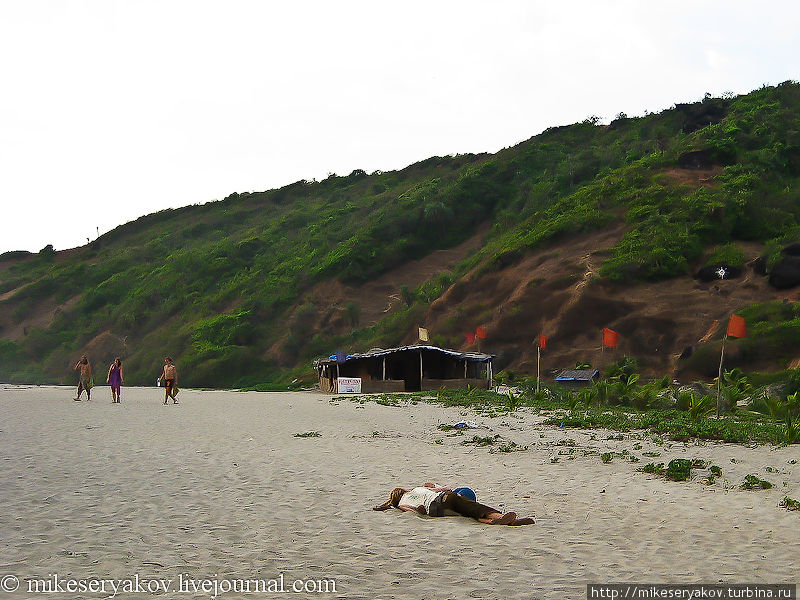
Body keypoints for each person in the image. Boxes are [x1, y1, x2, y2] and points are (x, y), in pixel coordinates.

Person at [373, 482, 534, 525]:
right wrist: (441, 488)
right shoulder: (416, 489)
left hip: (435, 511)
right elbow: (443, 489)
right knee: (475, 507)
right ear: (402, 490)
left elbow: (410, 510)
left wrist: (419, 510)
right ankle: (498, 516)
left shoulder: (401, 503)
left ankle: (496, 522)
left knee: (467, 513)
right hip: (442, 499)